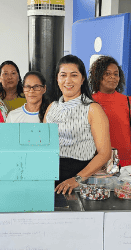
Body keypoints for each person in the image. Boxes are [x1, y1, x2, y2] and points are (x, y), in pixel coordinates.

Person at [45, 55, 111, 193]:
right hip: (48, 174)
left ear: (82, 79)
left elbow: (104, 153)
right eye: (63, 75)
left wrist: (78, 179)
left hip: (76, 177)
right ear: (57, 78)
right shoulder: (51, 107)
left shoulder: (93, 109)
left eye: (74, 75)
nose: (68, 80)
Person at [89, 56, 131, 161]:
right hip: (95, 163)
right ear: (98, 76)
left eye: (116, 74)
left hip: (125, 164)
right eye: (107, 73)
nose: (113, 77)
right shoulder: (89, 102)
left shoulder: (129, 102)